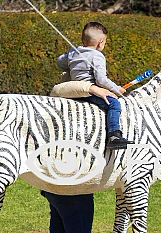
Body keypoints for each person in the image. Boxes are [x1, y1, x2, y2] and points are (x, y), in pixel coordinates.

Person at [56, 21, 131, 150]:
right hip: (89, 93)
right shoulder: (97, 56)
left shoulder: (74, 53)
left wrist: (72, 62)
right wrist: (116, 89)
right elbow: (101, 80)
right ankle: (114, 135)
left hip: (75, 92)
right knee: (114, 104)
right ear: (100, 42)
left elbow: (59, 62)